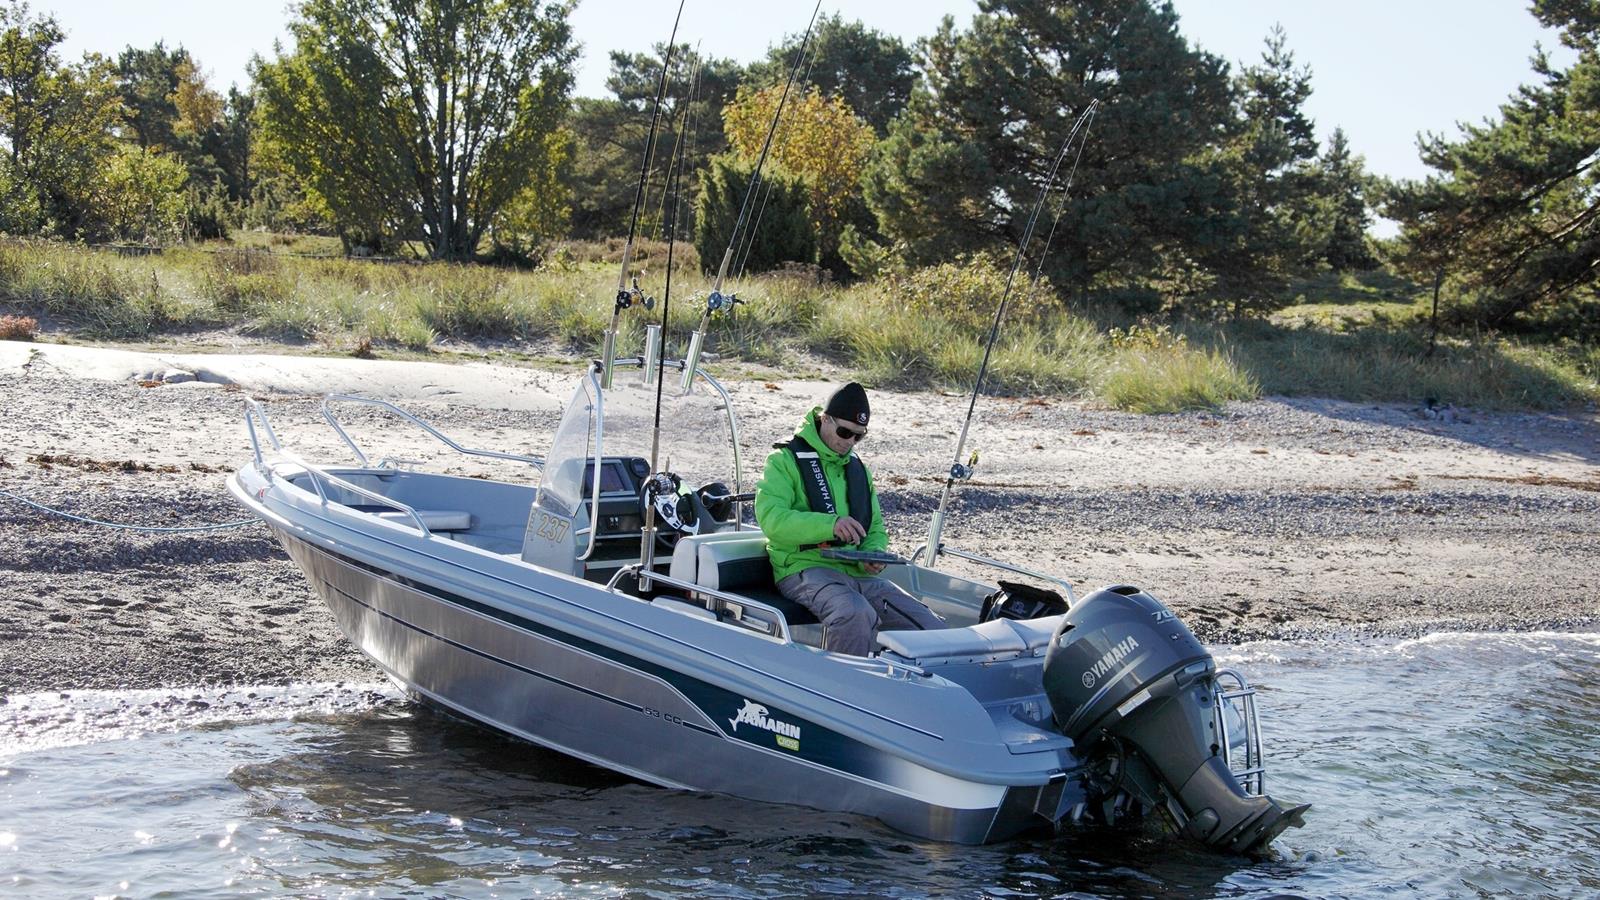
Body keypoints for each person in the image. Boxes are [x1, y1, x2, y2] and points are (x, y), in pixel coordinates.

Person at [754, 382, 945, 655]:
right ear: (825, 419)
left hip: (856, 573)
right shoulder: (783, 460)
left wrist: (873, 553)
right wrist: (830, 525)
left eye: (859, 437)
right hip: (803, 568)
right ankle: (842, 689)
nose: (850, 442)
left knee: (929, 624)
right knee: (854, 613)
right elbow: (772, 519)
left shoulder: (858, 470)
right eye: (845, 432)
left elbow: (874, 526)